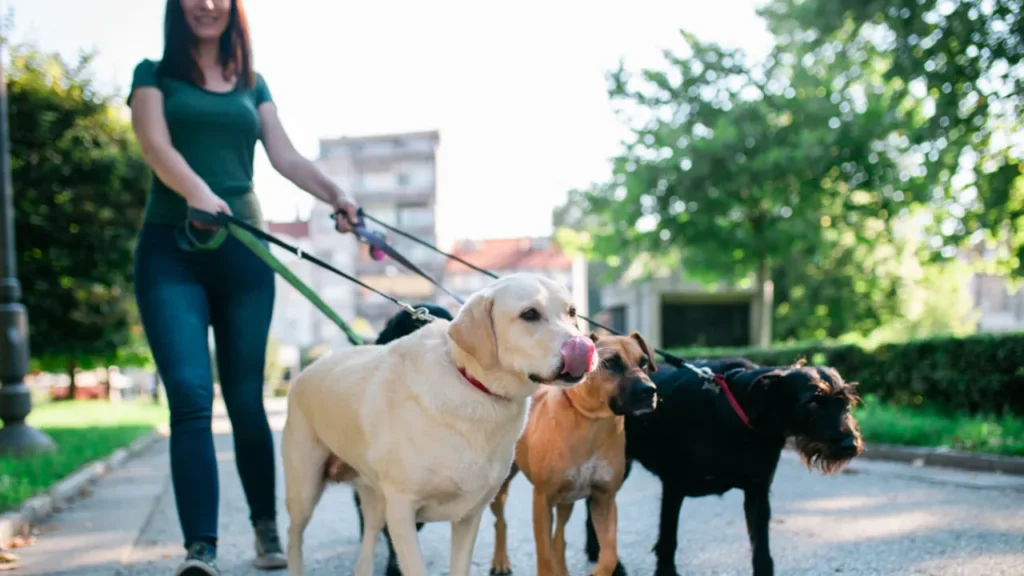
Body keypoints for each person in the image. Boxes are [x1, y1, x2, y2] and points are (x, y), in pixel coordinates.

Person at [127, 1, 359, 574]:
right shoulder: (152, 75)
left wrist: (337, 196)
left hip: (244, 251)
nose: (207, 5)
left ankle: (265, 527)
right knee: (189, 396)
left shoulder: (252, 83)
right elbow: (156, 146)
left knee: (246, 399)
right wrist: (198, 193)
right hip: (171, 250)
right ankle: (200, 549)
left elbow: (284, 156)